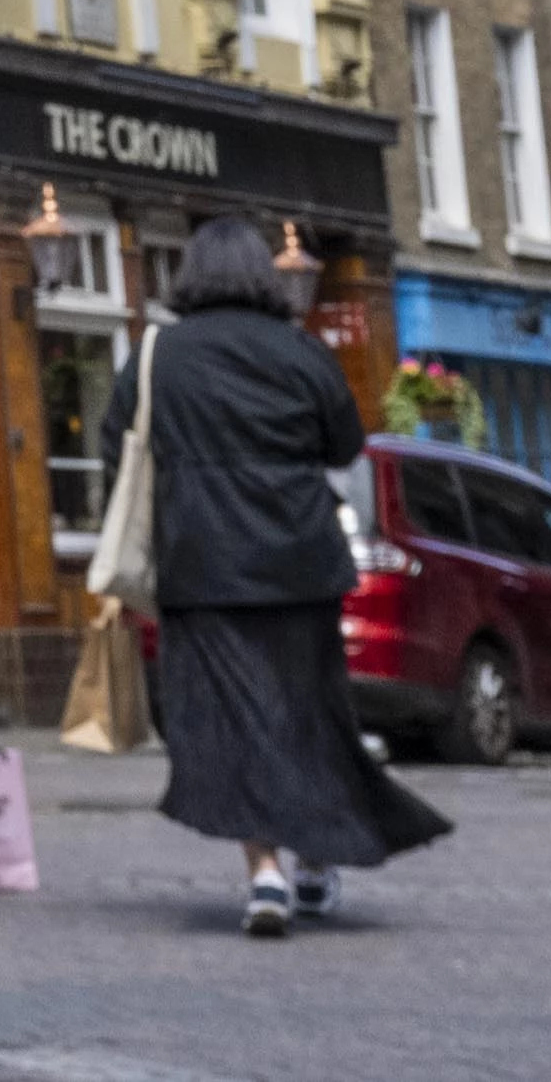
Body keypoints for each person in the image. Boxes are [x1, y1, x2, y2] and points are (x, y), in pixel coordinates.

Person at [105, 213, 449, 937]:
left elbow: (116, 449)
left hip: (202, 566)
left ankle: (265, 874)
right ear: (263, 274)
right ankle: (320, 855)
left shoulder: (158, 355)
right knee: (307, 712)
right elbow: (346, 443)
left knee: (231, 722)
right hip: (298, 560)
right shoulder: (301, 352)